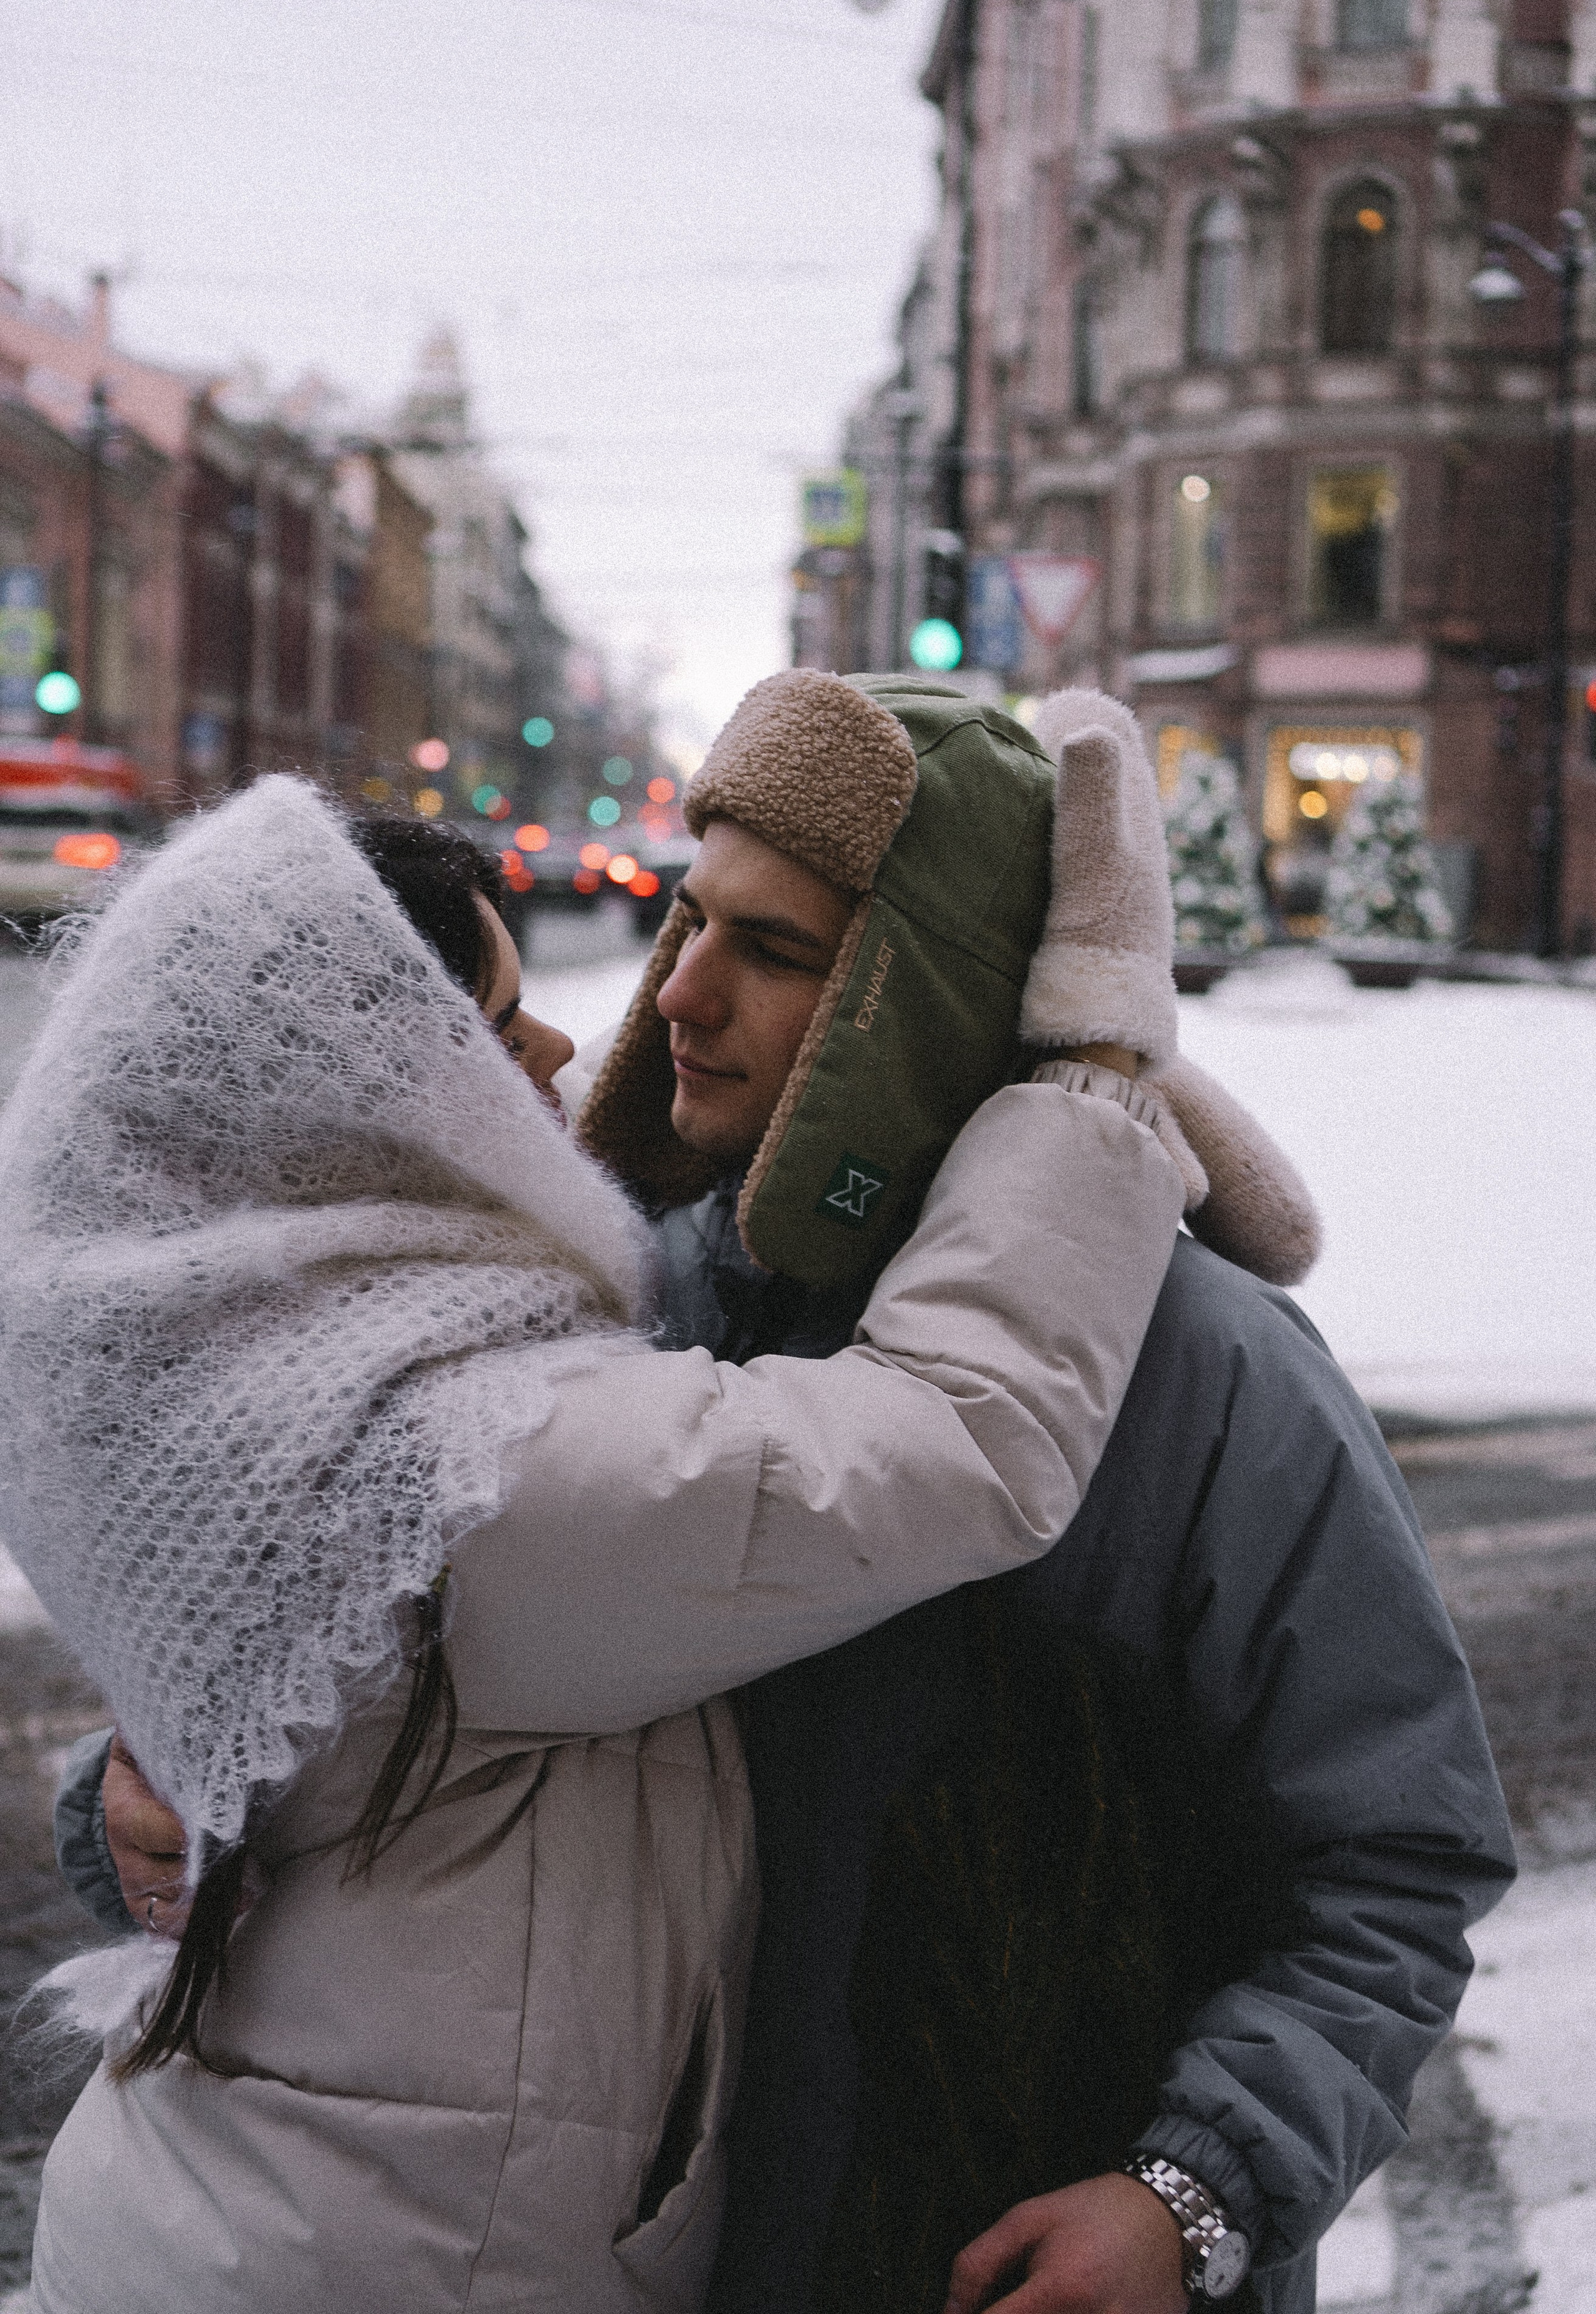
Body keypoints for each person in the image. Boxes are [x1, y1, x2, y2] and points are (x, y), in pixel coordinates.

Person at [56, 672, 1514, 2314]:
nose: (677, 990)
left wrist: (1188, 2191)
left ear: (932, 998)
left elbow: (1392, 1863)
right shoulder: (630, 1305)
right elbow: (414, 1766)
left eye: (777, 950)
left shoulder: (1208, 1375)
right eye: (689, 921)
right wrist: (148, 1785)